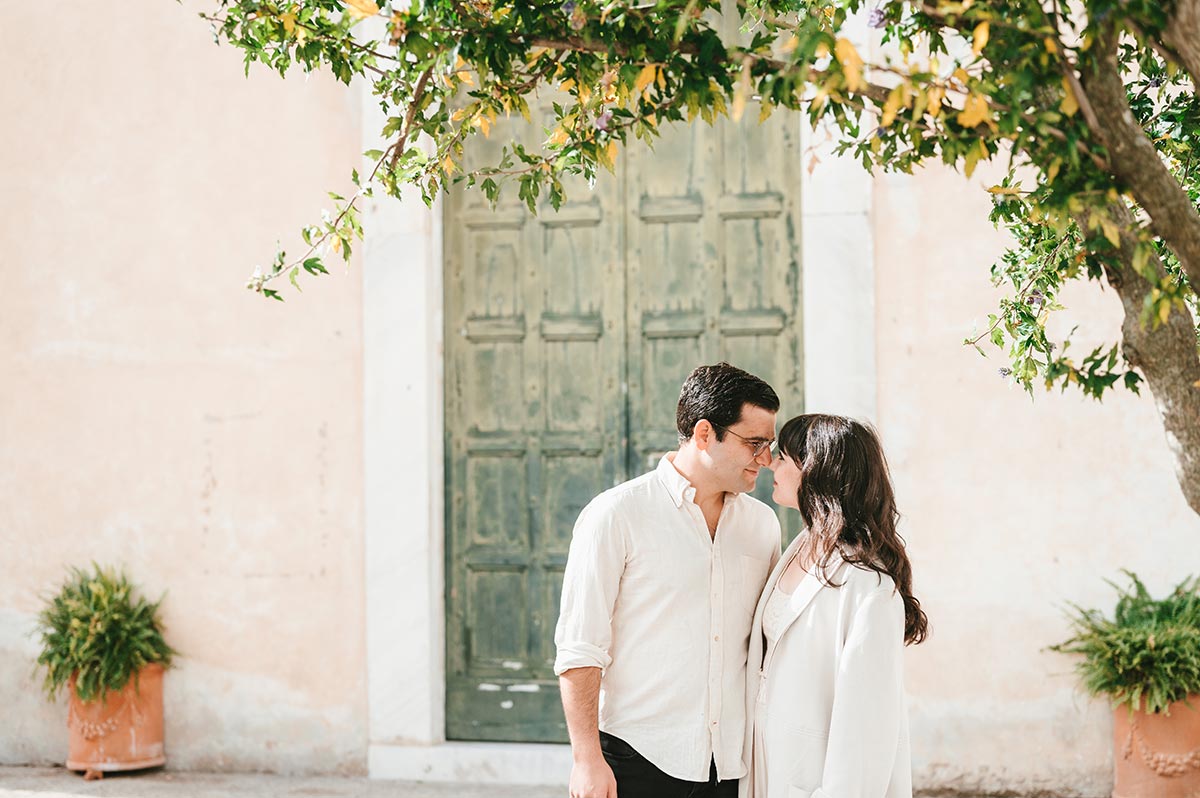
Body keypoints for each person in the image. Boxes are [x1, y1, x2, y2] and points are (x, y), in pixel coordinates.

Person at [554, 363, 784, 798]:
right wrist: (586, 760)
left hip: (731, 765)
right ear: (703, 434)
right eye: (754, 443)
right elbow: (580, 646)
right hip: (638, 759)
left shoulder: (763, 525)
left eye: (769, 445)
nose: (766, 460)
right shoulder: (615, 515)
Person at [742, 414, 929, 798]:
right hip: (768, 771)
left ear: (817, 470)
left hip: (817, 783)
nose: (770, 465)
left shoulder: (868, 585)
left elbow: (866, 730)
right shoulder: (797, 547)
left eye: (784, 457)